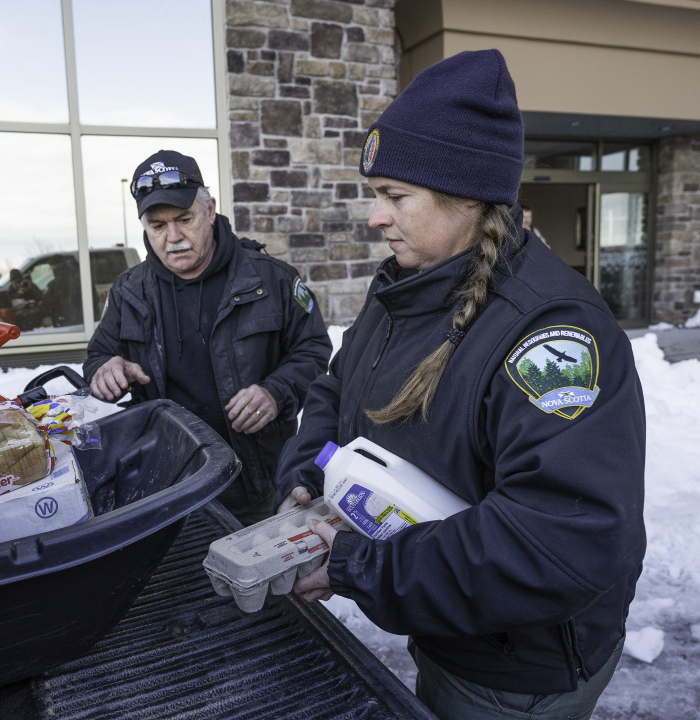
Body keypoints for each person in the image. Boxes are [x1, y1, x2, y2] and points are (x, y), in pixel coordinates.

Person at [275, 50, 645, 720]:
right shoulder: (405, 288)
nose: (373, 218)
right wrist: (307, 470)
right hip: (446, 623)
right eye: (375, 195)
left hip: (514, 670)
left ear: (467, 195)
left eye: (393, 196)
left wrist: (358, 566)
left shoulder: (551, 338)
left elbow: (558, 542)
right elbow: (338, 390)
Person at [83, 150, 331, 525]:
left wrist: (275, 391)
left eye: (185, 219)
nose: (173, 238)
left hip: (259, 481)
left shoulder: (272, 280)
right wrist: (105, 368)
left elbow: (313, 350)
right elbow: (99, 354)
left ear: (210, 210)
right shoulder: (127, 292)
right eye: (157, 226)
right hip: (167, 484)